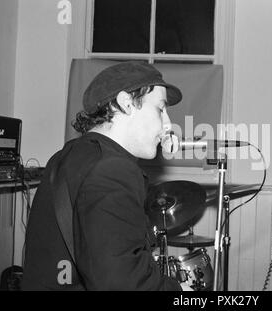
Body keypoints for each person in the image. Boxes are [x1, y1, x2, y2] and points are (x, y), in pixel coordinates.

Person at [22, 61, 192, 291]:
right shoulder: (113, 169)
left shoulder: (67, 156)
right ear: (126, 103)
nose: (168, 124)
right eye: (160, 109)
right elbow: (121, 283)